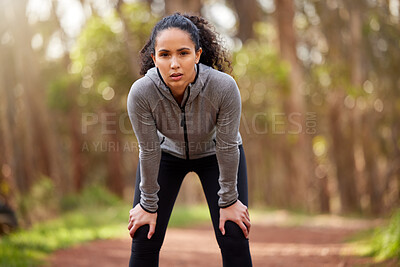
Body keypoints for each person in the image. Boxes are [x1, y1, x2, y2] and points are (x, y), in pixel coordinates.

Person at [127, 13, 252, 267]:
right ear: (154, 58)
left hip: (216, 154)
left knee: (234, 233)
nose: (174, 63)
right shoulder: (142, 93)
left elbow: (227, 145)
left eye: (183, 53)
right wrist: (148, 206)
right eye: (164, 55)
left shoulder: (223, 87)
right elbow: (149, 150)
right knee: (144, 234)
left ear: (197, 54)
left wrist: (228, 202)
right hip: (165, 155)